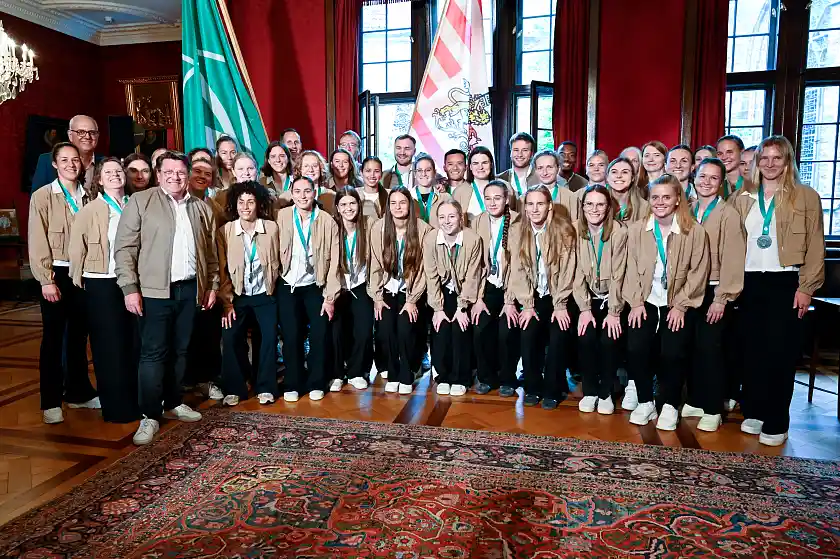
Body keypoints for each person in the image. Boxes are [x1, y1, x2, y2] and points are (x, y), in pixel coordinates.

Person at [114, 151, 219, 445]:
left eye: (181, 172)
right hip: (153, 292)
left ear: (188, 176)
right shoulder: (141, 202)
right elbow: (125, 248)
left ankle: (174, 402)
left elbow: (211, 253)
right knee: (153, 354)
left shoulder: (201, 207)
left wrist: (211, 285)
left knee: (181, 351)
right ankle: (149, 414)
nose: (175, 177)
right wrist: (129, 288)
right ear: (158, 175)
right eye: (169, 172)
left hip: (190, 290)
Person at [730, 136, 824, 446]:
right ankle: (755, 411)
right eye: (765, 158)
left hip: (786, 283)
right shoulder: (743, 197)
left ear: (787, 161)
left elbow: (816, 246)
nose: (770, 164)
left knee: (780, 353)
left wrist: (807, 287)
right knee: (752, 351)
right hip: (750, 282)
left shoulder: (806, 197)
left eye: (777, 158)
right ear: (757, 162)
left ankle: (777, 420)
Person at [624, 174, 709, 429]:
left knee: (672, 353)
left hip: (677, 302)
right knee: (636, 349)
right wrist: (636, 302)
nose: (660, 202)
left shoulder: (694, 231)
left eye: (666, 197)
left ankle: (670, 404)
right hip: (645, 301)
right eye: (655, 197)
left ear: (677, 199)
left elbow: (698, 272)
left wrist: (681, 305)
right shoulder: (637, 230)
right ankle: (645, 402)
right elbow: (629, 269)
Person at [28, 142, 99, 424]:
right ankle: (51, 401)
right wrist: (46, 279)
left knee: (79, 337)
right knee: (54, 338)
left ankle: (79, 393)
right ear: (55, 164)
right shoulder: (43, 196)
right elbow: (37, 240)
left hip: (84, 274)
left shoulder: (90, 197)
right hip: (56, 273)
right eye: (65, 160)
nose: (71, 164)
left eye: (75, 160)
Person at [68, 157, 139, 423]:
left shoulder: (135, 204)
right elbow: (77, 248)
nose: (114, 175)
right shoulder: (90, 210)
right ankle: (117, 408)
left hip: (133, 281)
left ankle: (138, 400)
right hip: (102, 282)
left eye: (119, 171)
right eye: (108, 172)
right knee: (109, 346)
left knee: (134, 342)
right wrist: (81, 281)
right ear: (99, 179)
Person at [683, 157, 745, 432]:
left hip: (714, 289)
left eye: (713, 178)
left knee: (711, 349)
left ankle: (712, 408)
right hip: (690, 289)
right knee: (693, 347)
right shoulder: (688, 210)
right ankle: (696, 400)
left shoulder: (729, 214)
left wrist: (722, 298)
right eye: (702, 176)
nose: (706, 182)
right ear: (694, 178)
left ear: (721, 183)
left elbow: (734, 259)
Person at [511, 185, 577, 409]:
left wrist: (560, 305)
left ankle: (553, 388)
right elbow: (517, 271)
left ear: (549, 206)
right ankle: (532, 387)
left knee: (559, 335)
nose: (535, 209)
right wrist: (527, 305)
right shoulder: (517, 231)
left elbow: (568, 271)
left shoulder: (564, 230)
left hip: (559, 296)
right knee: (528, 333)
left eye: (540, 204)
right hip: (533, 296)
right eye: (530, 204)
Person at [275, 176, 340, 402]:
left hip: (315, 286)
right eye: (298, 191)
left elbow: (334, 262)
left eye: (307, 191)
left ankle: (317, 381)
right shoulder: (282, 216)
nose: (303, 196)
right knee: (291, 336)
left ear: (315, 193)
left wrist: (330, 297)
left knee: (319, 335)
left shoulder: (326, 220)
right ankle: (293, 382)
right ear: (291, 194)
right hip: (287, 285)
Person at [217, 181, 281, 406]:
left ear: (258, 204)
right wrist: (227, 302)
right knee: (230, 336)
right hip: (237, 296)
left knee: (269, 337)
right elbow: (222, 270)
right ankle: (235, 387)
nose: (245, 207)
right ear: (235, 205)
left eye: (250, 202)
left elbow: (280, 259)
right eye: (241, 202)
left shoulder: (271, 228)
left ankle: (266, 387)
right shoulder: (225, 231)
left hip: (265, 294)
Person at [369, 187, 433, 394]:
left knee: (406, 328)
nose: (398, 207)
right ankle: (393, 372)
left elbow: (424, 270)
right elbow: (375, 265)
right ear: (388, 206)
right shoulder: (378, 228)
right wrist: (377, 297)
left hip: (412, 289)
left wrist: (412, 300)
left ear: (410, 205)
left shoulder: (424, 230)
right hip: (387, 288)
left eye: (402, 202)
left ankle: (407, 372)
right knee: (386, 329)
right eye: (393, 203)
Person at [573, 185, 627, 415]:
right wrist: (584, 308)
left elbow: (619, 274)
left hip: (614, 298)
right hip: (587, 298)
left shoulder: (619, 232)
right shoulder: (575, 230)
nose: (594, 209)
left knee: (608, 339)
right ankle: (590, 391)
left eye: (600, 204)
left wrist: (614, 312)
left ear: (608, 208)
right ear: (582, 206)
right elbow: (575, 272)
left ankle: (606, 392)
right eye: (589, 204)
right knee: (585, 337)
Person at [425, 200, 483, 397]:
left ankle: (461, 377)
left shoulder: (473, 239)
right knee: (440, 328)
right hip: (441, 292)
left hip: (464, 293)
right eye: (442, 217)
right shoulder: (430, 239)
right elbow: (431, 276)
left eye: (451, 216)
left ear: (460, 218)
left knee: (461, 328)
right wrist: (437, 309)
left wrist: (462, 307)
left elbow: (472, 277)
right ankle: (443, 376)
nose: (447, 221)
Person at [470, 180, 521, 397]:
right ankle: (486, 377)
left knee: (507, 331)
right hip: (487, 286)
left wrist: (510, 300)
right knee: (480, 328)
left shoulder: (518, 221)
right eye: (488, 198)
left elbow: (519, 265)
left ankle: (507, 377)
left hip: (512, 287)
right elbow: (473, 264)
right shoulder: (477, 222)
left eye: (497, 198)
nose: (492, 203)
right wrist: (477, 298)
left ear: (506, 199)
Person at [184, 154, 227, 399]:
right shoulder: (175, 201)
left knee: (208, 332)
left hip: (209, 278)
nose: (202, 176)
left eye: (207, 173)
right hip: (182, 277)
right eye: (197, 171)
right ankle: (185, 380)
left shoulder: (215, 208)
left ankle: (206, 379)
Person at [329, 187, 374, 393]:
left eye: (352, 203)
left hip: (361, 285)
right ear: (338, 208)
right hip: (338, 286)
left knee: (363, 331)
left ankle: (357, 372)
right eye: (344, 204)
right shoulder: (332, 227)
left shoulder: (368, 225)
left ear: (359, 205)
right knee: (336, 332)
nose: (349, 208)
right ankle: (337, 373)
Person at [31, 115, 103, 193]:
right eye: (81, 132)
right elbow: (36, 198)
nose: (87, 136)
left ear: (97, 136)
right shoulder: (47, 160)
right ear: (70, 135)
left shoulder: (106, 163)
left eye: (92, 132)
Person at [455, 146, 499, 223]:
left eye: (484, 163)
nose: (480, 167)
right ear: (470, 167)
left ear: (491, 165)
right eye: (475, 163)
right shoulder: (459, 192)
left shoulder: (504, 187)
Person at [533, 150, 577, 221]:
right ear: (535, 170)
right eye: (540, 168)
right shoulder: (524, 198)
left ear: (558, 169)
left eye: (549, 167)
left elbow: (575, 224)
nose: (545, 172)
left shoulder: (571, 197)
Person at [412, 154, 452, 227]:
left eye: (428, 170)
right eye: (419, 170)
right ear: (415, 174)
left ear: (434, 173)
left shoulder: (445, 198)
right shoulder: (407, 198)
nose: (423, 174)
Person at [607, 156, 649, 224]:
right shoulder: (598, 204)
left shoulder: (645, 207)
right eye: (614, 172)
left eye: (625, 172)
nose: (619, 176)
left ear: (632, 178)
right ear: (607, 177)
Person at [498, 132, 539, 198]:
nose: (520, 154)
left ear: (532, 153)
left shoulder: (541, 177)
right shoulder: (500, 179)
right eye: (516, 150)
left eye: (525, 150)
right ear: (511, 152)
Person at [260, 141, 294, 209]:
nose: (278, 160)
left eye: (282, 156)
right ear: (268, 160)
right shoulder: (261, 183)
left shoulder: (297, 181)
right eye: (273, 156)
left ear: (288, 158)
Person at [717, 135, 752, 199]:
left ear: (742, 152)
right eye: (720, 153)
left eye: (729, 152)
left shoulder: (753, 182)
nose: (724, 157)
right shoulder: (715, 183)